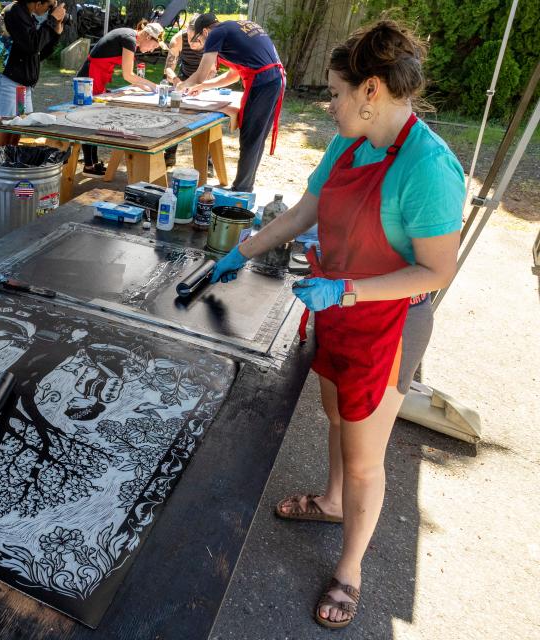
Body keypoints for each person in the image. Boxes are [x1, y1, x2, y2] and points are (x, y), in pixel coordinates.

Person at [208, 20, 463, 629]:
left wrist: (345, 291)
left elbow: (435, 272)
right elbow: (306, 210)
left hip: (389, 324)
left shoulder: (429, 168)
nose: (331, 104)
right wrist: (239, 252)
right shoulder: (350, 144)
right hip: (340, 310)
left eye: (337, 92)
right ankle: (330, 500)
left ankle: (349, 570)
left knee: (367, 457)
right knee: (338, 417)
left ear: (371, 90)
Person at [179, 14, 285, 192]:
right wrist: (203, 86)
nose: (202, 44)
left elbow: (200, 73)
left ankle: (241, 189)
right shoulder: (233, 28)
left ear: (205, 31)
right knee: (256, 137)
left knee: (250, 137)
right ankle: (244, 186)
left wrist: (180, 88)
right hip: (274, 78)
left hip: (263, 81)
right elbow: (233, 75)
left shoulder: (215, 33)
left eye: (198, 39)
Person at [77, 21, 164, 174]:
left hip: (96, 76)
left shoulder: (131, 37)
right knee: (88, 122)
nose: (152, 50)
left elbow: (131, 76)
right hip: (88, 78)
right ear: (148, 36)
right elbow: (128, 75)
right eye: (154, 46)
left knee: (94, 120)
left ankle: (92, 163)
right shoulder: (129, 39)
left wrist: (144, 87)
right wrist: (154, 86)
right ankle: (89, 165)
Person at [0, 0, 66, 146]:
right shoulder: (14, 12)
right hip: (5, 82)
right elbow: (32, 45)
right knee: (2, 143)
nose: (50, 10)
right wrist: (52, 20)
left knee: (16, 135)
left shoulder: (27, 16)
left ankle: (9, 167)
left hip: (21, 87)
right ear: (38, 2)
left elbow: (37, 53)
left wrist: (55, 34)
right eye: (49, 6)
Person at [162, 17, 209, 167]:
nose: (190, 41)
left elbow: (212, 70)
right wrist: (177, 82)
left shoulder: (212, 41)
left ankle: (207, 161)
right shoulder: (178, 40)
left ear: (204, 34)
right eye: (188, 37)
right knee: (174, 112)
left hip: (205, 79)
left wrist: (201, 86)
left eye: (194, 38)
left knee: (206, 118)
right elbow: (168, 68)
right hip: (184, 77)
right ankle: (170, 153)